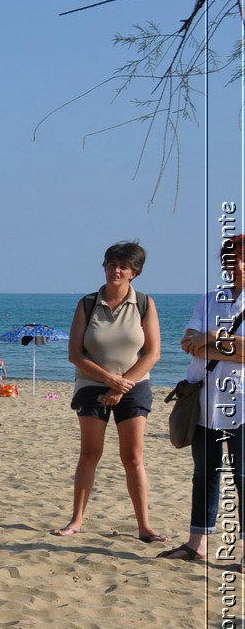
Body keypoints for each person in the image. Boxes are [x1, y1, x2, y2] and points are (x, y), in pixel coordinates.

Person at [52, 242, 166, 542]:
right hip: (92, 385)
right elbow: (75, 354)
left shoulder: (144, 303)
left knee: (133, 457)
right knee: (90, 453)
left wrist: (123, 384)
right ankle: (76, 520)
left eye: (123, 266)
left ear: (134, 272)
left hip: (134, 386)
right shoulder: (88, 303)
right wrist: (109, 380)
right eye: (111, 264)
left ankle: (145, 526)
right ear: (104, 266)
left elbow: (153, 353)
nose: (115, 270)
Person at [161, 233, 245, 563]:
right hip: (204, 400)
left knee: (242, 476)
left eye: (242, 258)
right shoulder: (209, 300)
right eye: (231, 258)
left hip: (241, 401)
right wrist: (228, 344)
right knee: (204, 473)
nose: (236, 265)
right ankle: (197, 543)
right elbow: (186, 341)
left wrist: (209, 338)